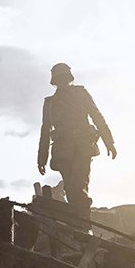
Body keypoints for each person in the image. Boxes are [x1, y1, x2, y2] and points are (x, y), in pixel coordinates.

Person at [37, 63, 116, 226]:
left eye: (64, 77)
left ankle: (84, 229)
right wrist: (42, 158)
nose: (62, 81)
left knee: (79, 187)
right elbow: (45, 130)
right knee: (71, 192)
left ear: (69, 78)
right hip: (62, 152)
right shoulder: (49, 103)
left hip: (83, 147)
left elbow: (97, 116)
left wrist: (109, 142)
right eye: (59, 78)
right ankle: (77, 228)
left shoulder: (81, 93)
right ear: (54, 81)